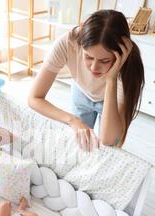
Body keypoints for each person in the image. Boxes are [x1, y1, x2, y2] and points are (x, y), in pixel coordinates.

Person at [28, 10, 144, 151]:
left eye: (105, 60)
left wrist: (111, 79)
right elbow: (34, 98)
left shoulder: (128, 66)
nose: (94, 67)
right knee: (79, 144)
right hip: (81, 92)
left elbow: (109, 139)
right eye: (88, 57)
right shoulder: (68, 42)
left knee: (108, 148)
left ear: (120, 54)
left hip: (110, 98)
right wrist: (72, 120)